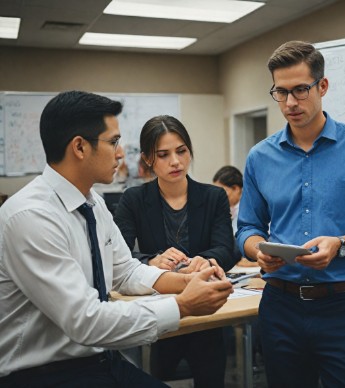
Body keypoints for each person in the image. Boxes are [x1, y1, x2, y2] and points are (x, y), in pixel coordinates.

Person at [0, 90, 233, 387]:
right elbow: (86, 320)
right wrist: (183, 305)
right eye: (113, 142)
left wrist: (184, 281)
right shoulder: (31, 216)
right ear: (80, 147)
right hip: (44, 373)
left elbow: (126, 271)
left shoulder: (92, 204)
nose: (121, 153)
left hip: (97, 360)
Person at [236, 41, 345, 387]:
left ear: (322, 86)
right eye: (280, 93)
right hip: (279, 306)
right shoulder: (259, 158)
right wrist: (258, 251)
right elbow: (248, 228)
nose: (291, 103)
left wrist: (340, 245)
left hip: (342, 307)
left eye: (300, 90)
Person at [114, 115, 238, 387]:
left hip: (208, 313)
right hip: (162, 309)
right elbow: (116, 257)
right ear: (148, 159)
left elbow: (226, 249)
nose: (176, 162)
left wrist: (204, 260)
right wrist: (151, 261)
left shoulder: (213, 197)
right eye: (163, 154)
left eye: (181, 151)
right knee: (157, 377)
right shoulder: (133, 199)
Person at [213, 165, 258, 268]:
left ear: (236, 189)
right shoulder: (227, 209)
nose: (218, 197)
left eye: (222, 192)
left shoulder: (251, 207)